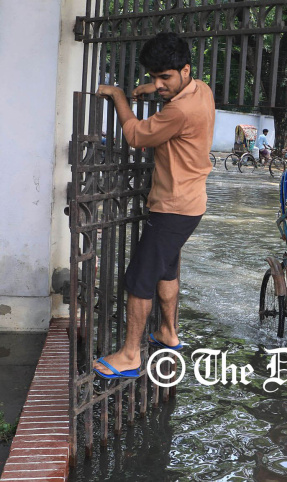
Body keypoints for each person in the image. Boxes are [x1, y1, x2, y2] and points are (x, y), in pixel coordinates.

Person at [92, 32, 215, 379]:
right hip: (191, 203)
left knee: (140, 279)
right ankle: (168, 333)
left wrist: (118, 95)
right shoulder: (201, 89)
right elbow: (170, 88)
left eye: (165, 78)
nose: (158, 84)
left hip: (172, 207)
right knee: (166, 270)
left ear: (185, 70)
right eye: (154, 77)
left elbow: (134, 135)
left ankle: (130, 355)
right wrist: (152, 89)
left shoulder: (179, 111)